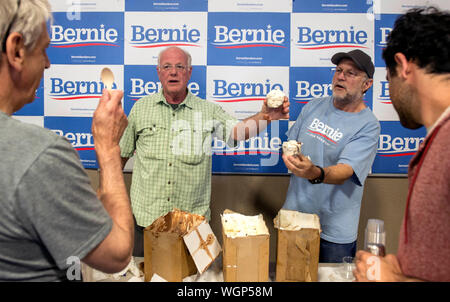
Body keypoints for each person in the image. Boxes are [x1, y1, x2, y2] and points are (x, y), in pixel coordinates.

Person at [0, 0, 133, 281]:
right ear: (16, 50)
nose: (48, 64)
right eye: (43, 50)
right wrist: (108, 148)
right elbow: (118, 254)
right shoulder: (41, 156)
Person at [120, 46, 289, 255]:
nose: (173, 72)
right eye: (167, 66)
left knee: (194, 282)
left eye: (180, 66)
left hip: (193, 225)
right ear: (159, 72)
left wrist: (265, 117)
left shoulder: (207, 110)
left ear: (189, 72)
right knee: (145, 275)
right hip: (146, 221)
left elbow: (237, 132)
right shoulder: (141, 108)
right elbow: (120, 157)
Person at [354, 7, 450, 282]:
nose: (392, 94)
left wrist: (393, 280)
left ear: (404, 64)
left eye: (388, 80)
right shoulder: (438, 139)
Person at [281, 49, 380, 263]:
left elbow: (345, 171)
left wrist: (314, 172)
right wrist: (289, 156)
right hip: (295, 219)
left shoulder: (368, 125)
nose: (341, 76)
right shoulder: (314, 105)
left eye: (351, 73)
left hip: (334, 232)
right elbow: (292, 145)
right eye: (339, 70)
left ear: (367, 85)